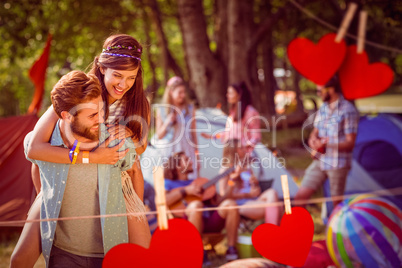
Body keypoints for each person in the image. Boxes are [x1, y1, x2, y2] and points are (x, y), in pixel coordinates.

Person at [10, 34, 151, 267]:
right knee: (20, 259)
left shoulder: (137, 103)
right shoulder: (79, 92)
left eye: (131, 78)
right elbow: (34, 147)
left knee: (138, 257)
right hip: (61, 180)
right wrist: (91, 157)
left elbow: (141, 148)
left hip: (115, 186)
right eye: (117, 75)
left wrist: (131, 135)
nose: (123, 84)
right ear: (101, 68)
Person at [294, 76, 359, 208]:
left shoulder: (348, 110)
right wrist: (312, 140)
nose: (319, 94)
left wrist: (326, 145)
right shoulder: (323, 108)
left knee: (337, 204)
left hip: (338, 163)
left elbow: (350, 143)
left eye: (320, 91)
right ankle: (300, 227)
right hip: (320, 161)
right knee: (300, 197)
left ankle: (336, 228)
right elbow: (315, 131)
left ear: (332, 89)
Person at [164, 152, 240, 262]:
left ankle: (231, 248)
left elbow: (220, 201)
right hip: (186, 223)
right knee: (196, 205)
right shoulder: (169, 183)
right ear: (177, 166)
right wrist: (185, 191)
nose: (191, 162)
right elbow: (164, 201)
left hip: (209, 222)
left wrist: (232, 181)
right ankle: (197, 250)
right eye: (186, 160)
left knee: (230, 204)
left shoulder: (199, 182)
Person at [218, 139, 281, 225]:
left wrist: (255, 184)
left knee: (272, 193)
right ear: (233, 151)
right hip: (239, 205)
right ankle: (272, 232)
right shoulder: (226, 170)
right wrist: (246, 193)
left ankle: (272, 231)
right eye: (241, 148)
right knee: (276, 206)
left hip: (253, 200)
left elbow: (255, 191)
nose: (244, 149)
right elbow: (224, 196)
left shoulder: (246, 167)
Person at [152, 76, 199, 179]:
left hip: (186, 149)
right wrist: (167, 122)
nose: (183, 95)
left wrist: (197, 155)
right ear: (171, 92)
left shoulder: (190, 109)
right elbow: (159, 135)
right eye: (179, 92)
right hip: (168, 149)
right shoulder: (162, 109)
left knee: (189, 177)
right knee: (169, 177)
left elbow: (193, 133)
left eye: (184, 92)